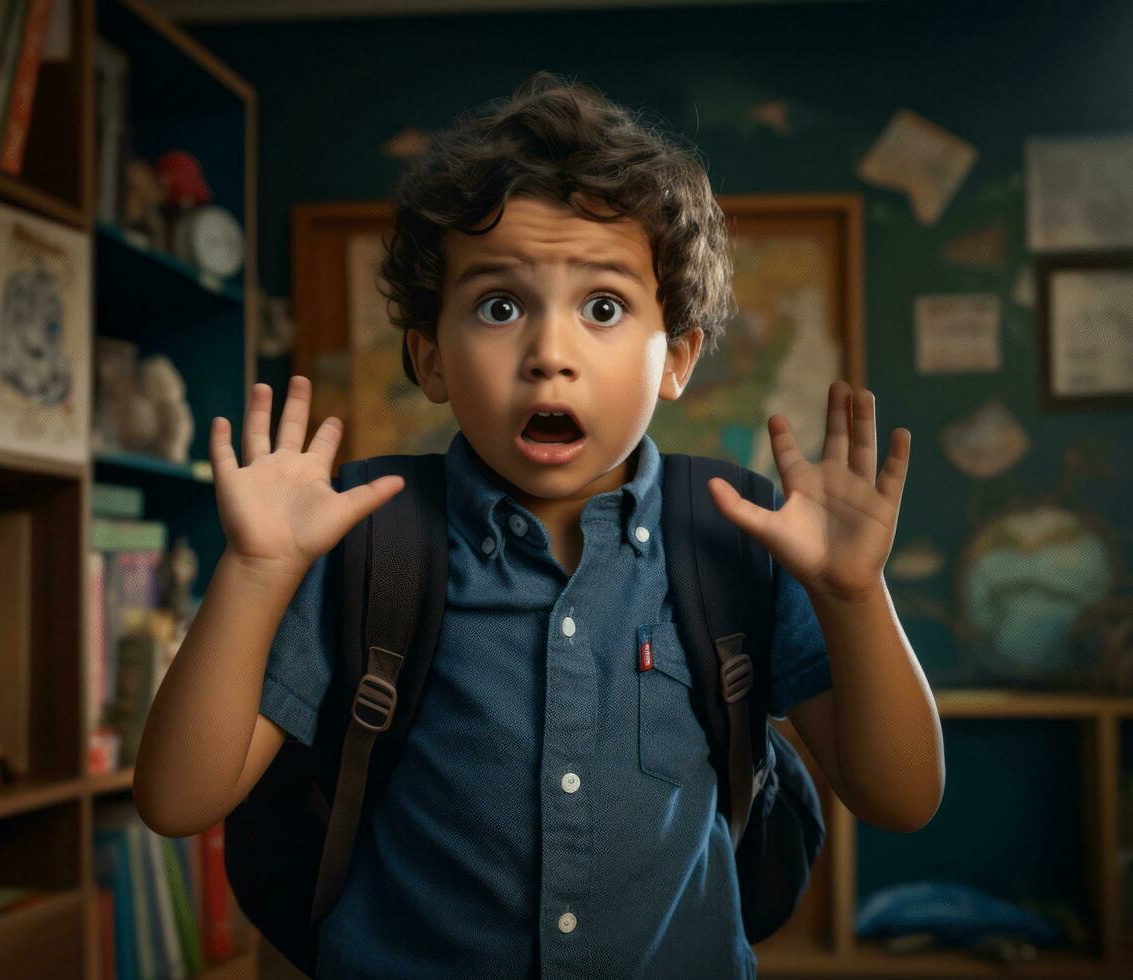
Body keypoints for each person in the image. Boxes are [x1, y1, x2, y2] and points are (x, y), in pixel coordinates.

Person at [132, 70, 944, 979]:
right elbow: (175, 800)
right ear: (430, 357)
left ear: (674, 358)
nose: (549, 355)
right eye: (499, 306)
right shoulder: (360, 538)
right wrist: (253, 570)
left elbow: (900, 798)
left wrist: (852, 592)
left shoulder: (741, 535)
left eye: (603, 308)